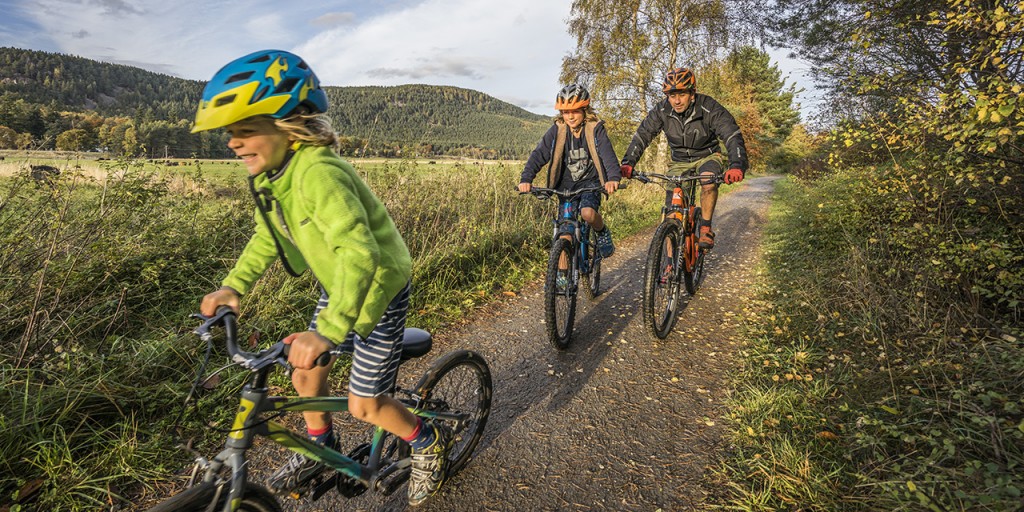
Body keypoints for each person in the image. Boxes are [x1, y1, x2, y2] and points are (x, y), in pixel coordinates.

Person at [191, 49, 449, 506]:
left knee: (364, 405)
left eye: (245, 128)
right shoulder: (275, 177)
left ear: (288, 123)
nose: (232, 142)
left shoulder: (319, 173)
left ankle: (427, 442)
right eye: (230, 132)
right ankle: (322, 447)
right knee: (304, 374)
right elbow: (267, 238)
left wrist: (329, 331)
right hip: (342, 287)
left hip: (376, 290)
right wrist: (234, 285)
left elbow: (360, 252)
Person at [619, 67, 748, 249]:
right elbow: (643, 135)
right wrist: (628, 163)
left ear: (692, 93)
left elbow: (731, 134)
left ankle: (705, 228)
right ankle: (669, 265)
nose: (677, 101)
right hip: (679, 161)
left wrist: (737, 164)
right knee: (672, 215)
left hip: (707, 155)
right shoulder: (662, 110)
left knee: (708, 181)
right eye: (672, 96)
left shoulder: (708, 107)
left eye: (681, 95)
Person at [518, 84, 622, 263]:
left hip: (591, 184)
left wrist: (612, 178)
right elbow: (539, 154)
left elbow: (607, 154)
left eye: (574, 111)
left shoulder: (594, 129)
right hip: (565, 186)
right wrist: (526, 178)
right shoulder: (558, 130)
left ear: (584, 110)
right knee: (564, 233)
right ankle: (560, 280)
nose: (570, 116)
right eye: (565, 112)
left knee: (588, 213)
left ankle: (602, 230)